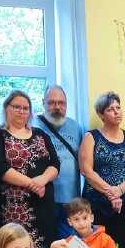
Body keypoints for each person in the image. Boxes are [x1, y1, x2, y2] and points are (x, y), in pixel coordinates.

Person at [0, 90, 60, 248]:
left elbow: (55, 163)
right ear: (6, 108)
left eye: (26, 108)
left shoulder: (41, 134)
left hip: (44, 203)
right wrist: (33, 184)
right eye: (16, 107)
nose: (21, 111)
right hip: (13, 206)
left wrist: (42, 180)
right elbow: (0, 168)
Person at [81, 92, 125, 248]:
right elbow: (86, 170)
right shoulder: (91, 137)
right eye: (110, 109)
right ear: (101, 115)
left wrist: (119, 190)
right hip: (96, 202)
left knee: (124, 247)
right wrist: (111, 193)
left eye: (118, 107)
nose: (116, 112)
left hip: (124, 202)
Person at [36, 86, 85, 239]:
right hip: (43, 199)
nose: (57, 107)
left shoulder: (76, 127)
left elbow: (84, 160)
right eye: (51, 102)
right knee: (46, 242)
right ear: (43, 103)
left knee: (70, 244)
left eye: (61, 103)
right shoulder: (33, 126)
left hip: (71, 201)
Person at [50, 197, 118, 248]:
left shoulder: (105, 239)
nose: (81, 223)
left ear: (91, 218)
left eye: (85, 218)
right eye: (76, 219)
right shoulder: (68, 243)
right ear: (70, 222)